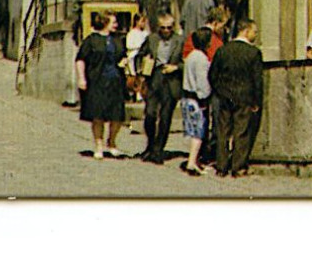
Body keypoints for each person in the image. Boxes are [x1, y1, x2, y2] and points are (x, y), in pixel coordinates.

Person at [209, 19, 264, 176]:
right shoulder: (253, 53)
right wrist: (256, 101)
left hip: (225, 96)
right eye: (254, 31)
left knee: (223, 131)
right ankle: (238, 166)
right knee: (242, 131)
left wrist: (220, 91)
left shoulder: (222, 50)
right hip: (244, 97)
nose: (255, 35)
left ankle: (221, 166)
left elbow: (213, 75)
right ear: (246, 31)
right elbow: (257, 81)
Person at [74, 11, 128, 159]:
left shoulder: (117, 40)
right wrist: (81, 78)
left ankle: (112, 142)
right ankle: (98, 144)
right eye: (113, 22)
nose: (116, 25)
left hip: (115, 81)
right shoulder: (91, 40)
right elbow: (80, 59)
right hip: (97, 82)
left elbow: (123, 55)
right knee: (98, 115)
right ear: (104, 23)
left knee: (116, 116)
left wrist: (124, 61)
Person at [138, 13, 184, 164]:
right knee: (150, 114)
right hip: (154, 78)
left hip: (171, 81)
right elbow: (140, 55)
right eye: (163, 28)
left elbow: (186, 62)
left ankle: (158, 150)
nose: (166, 31)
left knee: (165, 117)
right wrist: (145, 64)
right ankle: (150, 145)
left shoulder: (179, 40)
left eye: (169, 28)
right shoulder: (152, 39)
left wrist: (176, 67)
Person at [179, 27, 213, 175]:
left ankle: (194, 161)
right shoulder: (201, 59)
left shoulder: (191, 56)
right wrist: (205, 97)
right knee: (198, 132)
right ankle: (192, 162)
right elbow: (202, 82)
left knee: (193, 131)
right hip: (197, 99)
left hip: (187, 96)